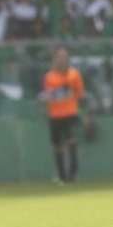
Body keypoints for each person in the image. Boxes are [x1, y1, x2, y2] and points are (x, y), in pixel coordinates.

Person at [39, 46, 85, 183]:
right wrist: (52, 96)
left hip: (70, 113)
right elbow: (48, 95)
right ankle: (61, 175)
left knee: (71, 142)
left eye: (65, 56)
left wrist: (70, 95)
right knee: (57, 145)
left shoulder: (74, 74)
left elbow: (80, 93)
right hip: (55, 115)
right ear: (54, 59)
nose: (62, 59)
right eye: (59, 57)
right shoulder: (49, 77)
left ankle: (73, 174)